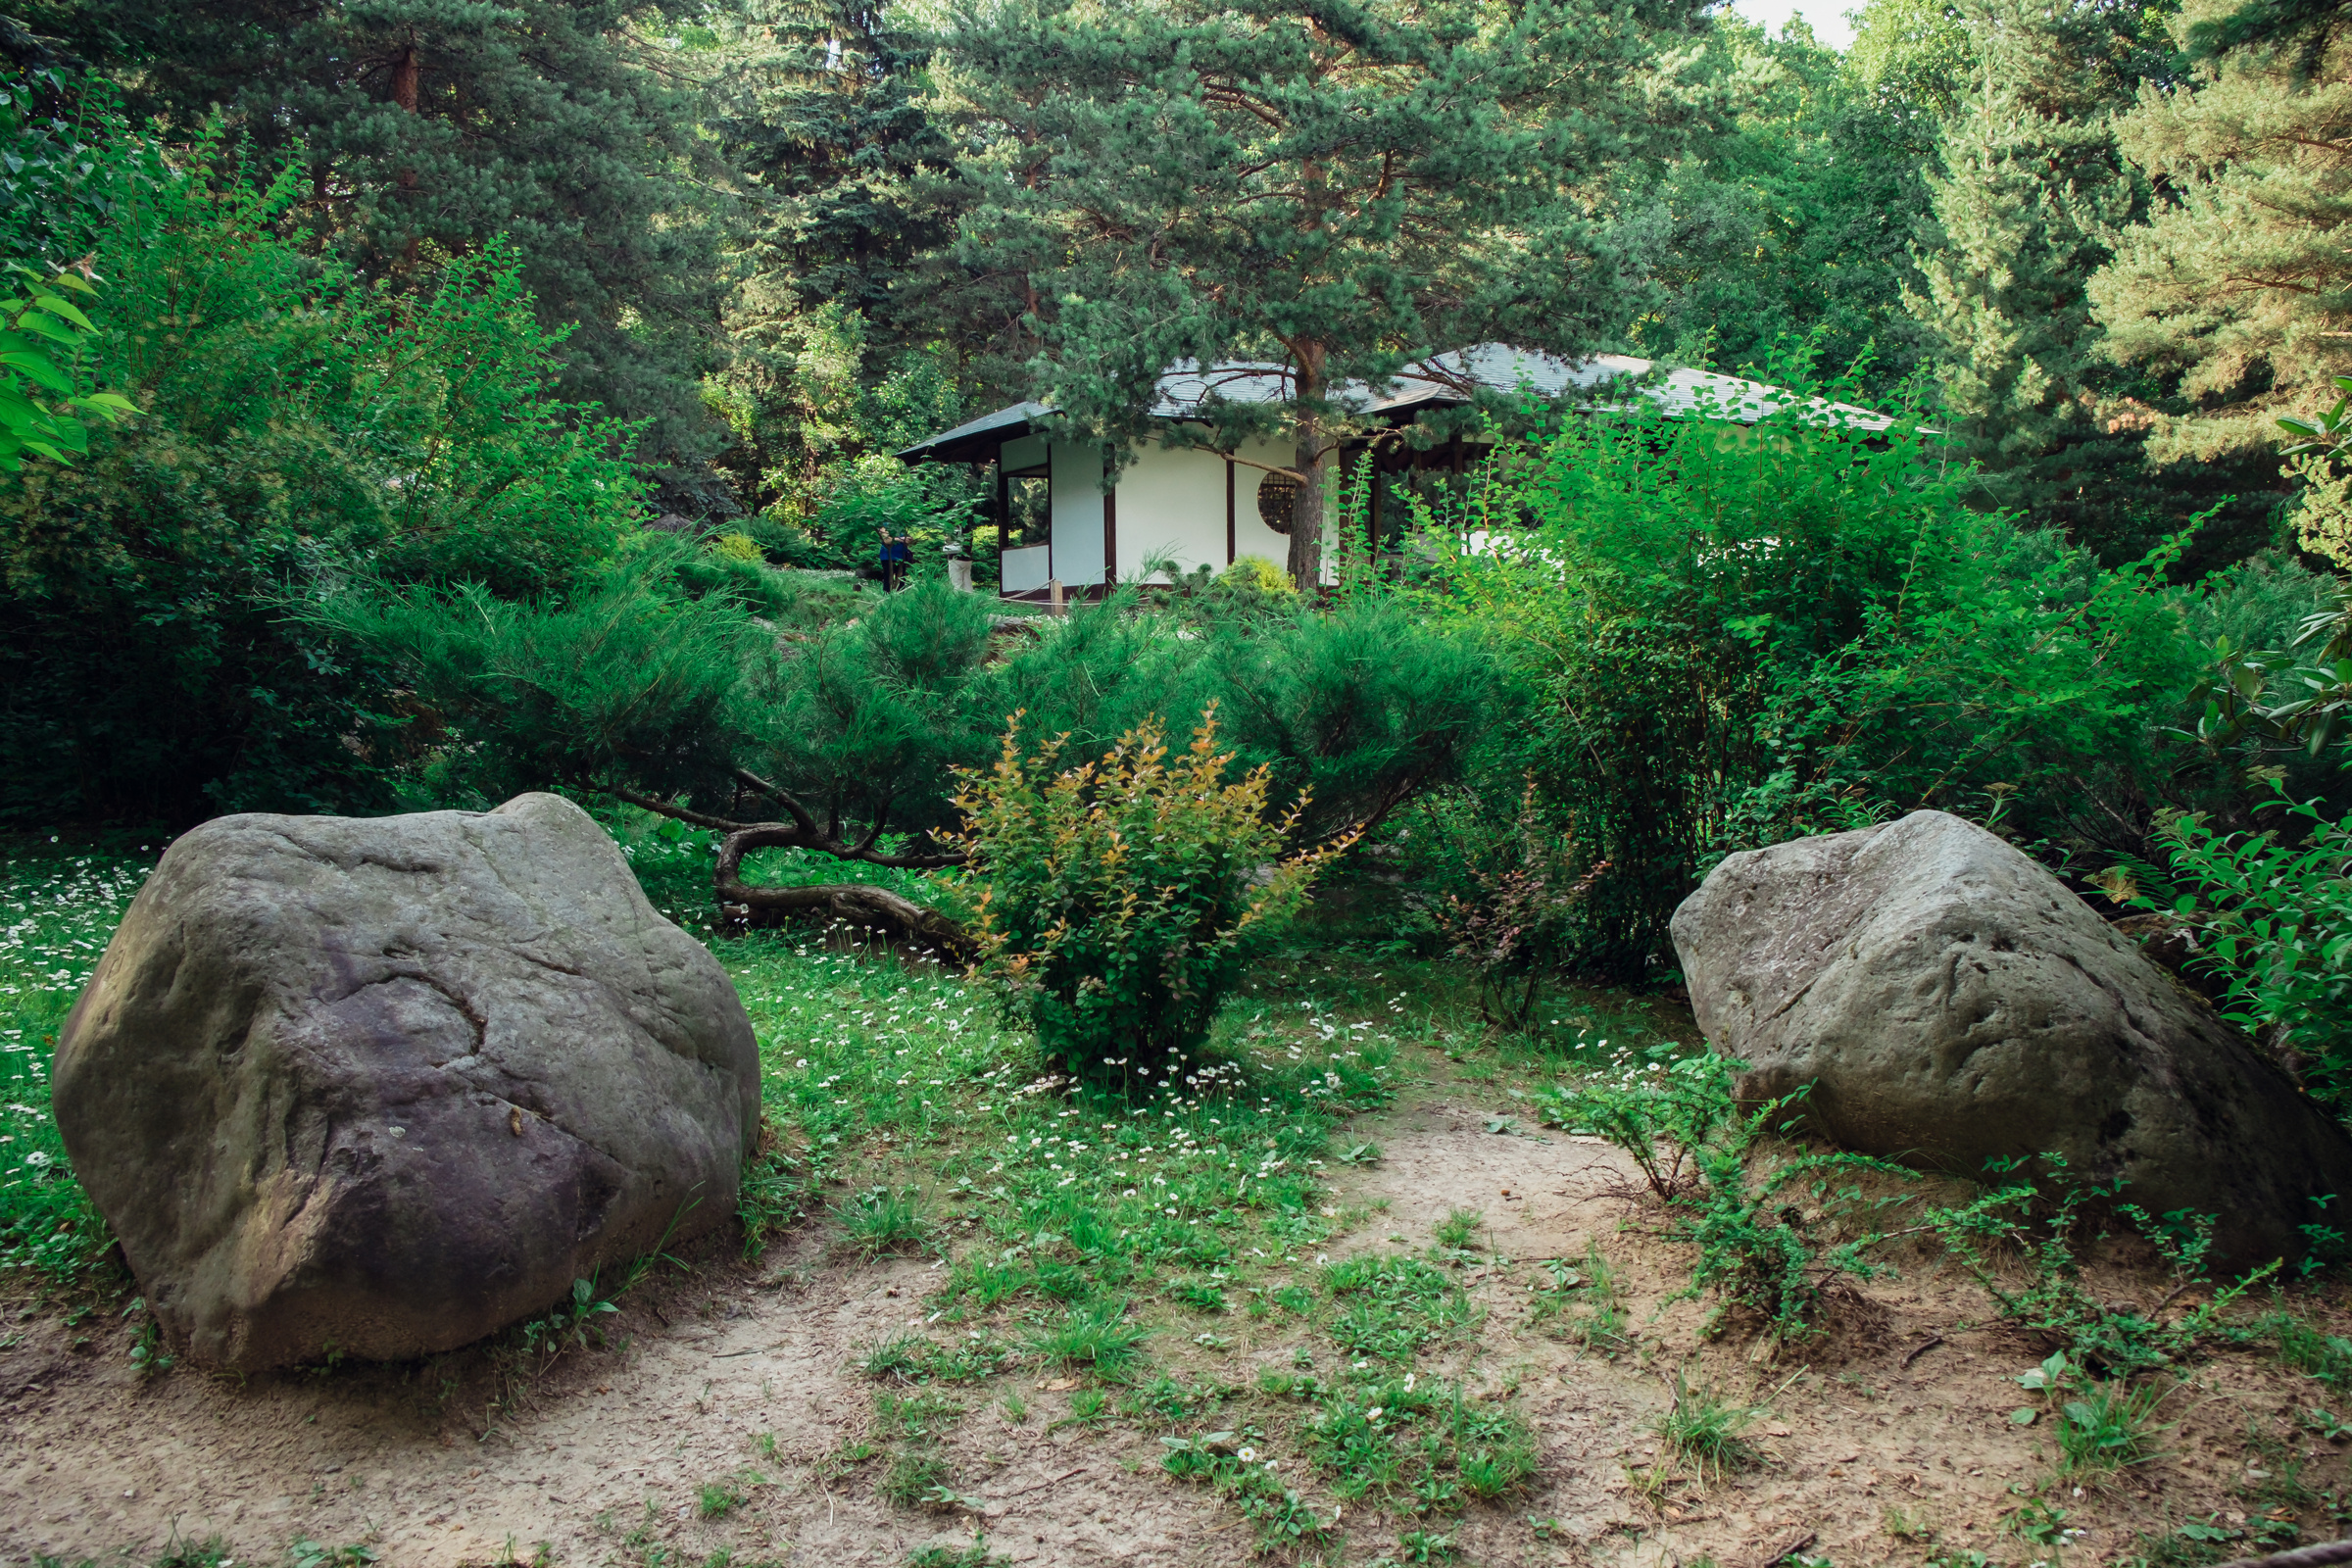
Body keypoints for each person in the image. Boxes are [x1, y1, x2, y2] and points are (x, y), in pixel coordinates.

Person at [876, 526, 912, 591]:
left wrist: (903, 539)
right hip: (888, 557)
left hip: (901, 556)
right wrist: (901, 539)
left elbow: (909, 539)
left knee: (901, 578)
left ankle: (900, 595)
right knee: (888, 577)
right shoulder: (884, 526)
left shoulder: (902, 527)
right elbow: (886, 540)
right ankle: (887, 594)